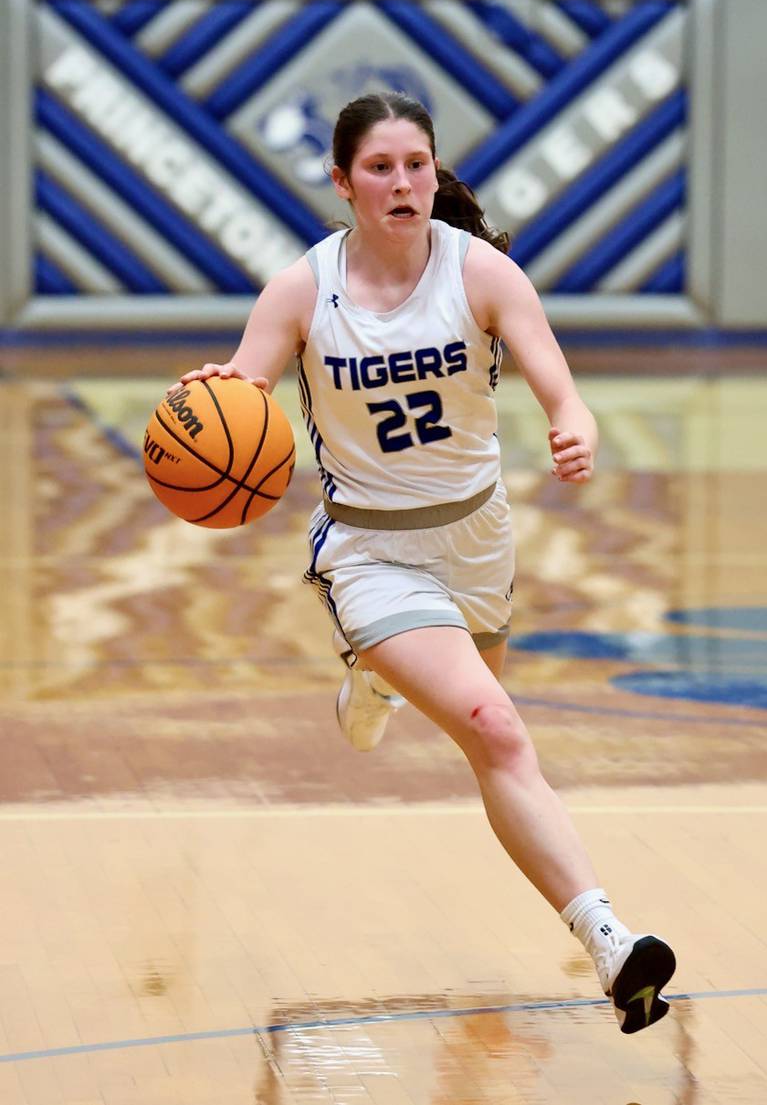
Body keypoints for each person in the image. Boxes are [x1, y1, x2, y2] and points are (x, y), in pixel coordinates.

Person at [169, 91, 676, 1034]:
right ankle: (611, 941)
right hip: (369, 548)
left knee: (484, 738)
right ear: (342, 182)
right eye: (380, 167)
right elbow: (244, 384)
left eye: (417, 164)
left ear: (435, 171)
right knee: (497, 726)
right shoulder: (302, 290)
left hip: (478, 540)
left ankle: (371, 681)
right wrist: (216, 393)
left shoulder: (480, 272)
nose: (403, 183)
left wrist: (574, 425)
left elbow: (561, 387)